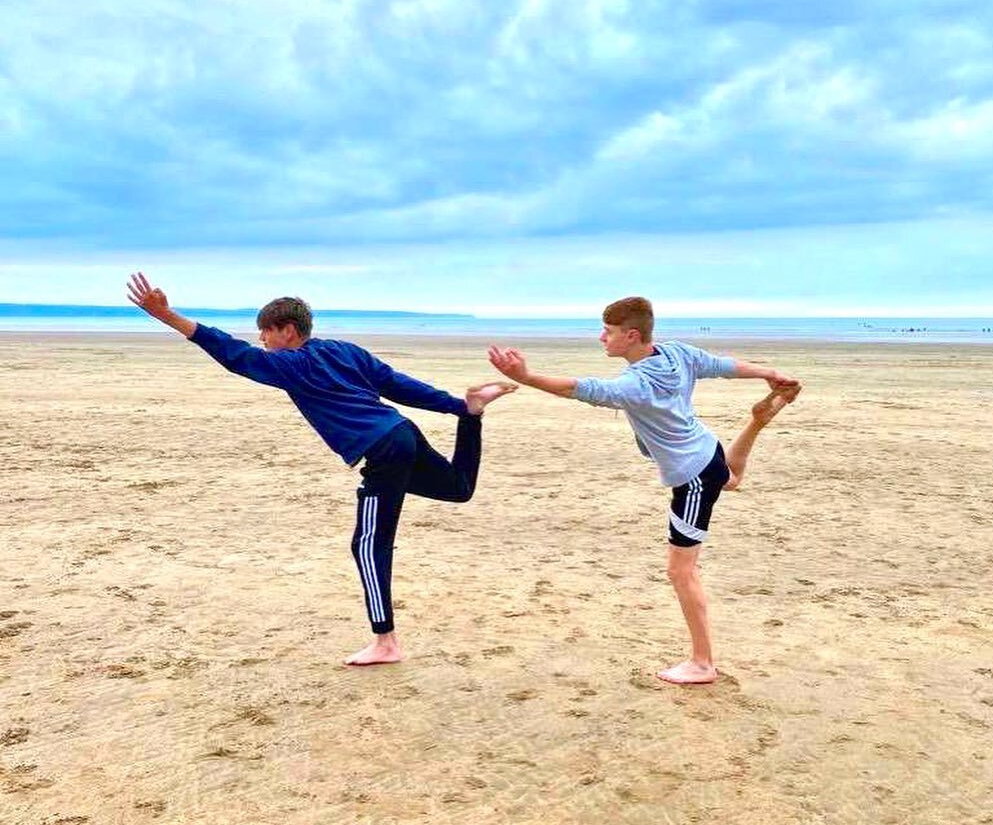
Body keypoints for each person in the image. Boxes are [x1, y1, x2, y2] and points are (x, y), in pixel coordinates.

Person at [127, 272, 515, 666]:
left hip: (380, 449)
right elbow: (398, 385)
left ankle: (385, 642)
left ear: (288, 331)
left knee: (367, 544)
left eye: (266, 332)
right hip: (402, 432)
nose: (262, 340)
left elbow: (231, 352)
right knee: (457, 488)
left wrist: (166, 316)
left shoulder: (292, 364)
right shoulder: (345, 351)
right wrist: (458, 407)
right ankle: (475, 415)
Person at [488, 296, 800, 686]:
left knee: (680, 571)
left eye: (609, 332)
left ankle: (702, 663)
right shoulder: (677, 354)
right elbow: (725, 367)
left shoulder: (635, 385)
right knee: (728, 479)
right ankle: (757, 422)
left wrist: (527, 377)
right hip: (708, 449)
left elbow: (579, 389)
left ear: (631, 335)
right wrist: (768, 373)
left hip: (692, 475)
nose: (602, 338)